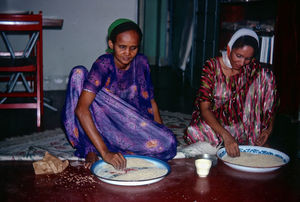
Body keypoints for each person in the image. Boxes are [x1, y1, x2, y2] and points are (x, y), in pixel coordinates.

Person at [62, 18, 177, 169]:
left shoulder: (141, 62)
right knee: (79, 73)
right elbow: (81, 109)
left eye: (133, 48)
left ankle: (113, 147)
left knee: (168, 142)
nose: (127, 53)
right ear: (111, 44)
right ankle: (91, 146)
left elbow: (151, 101)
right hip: (102, 121)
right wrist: (105, 154)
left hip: (130, 123)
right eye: (122, 47)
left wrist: (158, 130)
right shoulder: (104, 64)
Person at [184, 28, 279, 157]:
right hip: (215, 123)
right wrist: (226, 136)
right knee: (196, 133)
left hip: (243, 123)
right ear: (229, 49)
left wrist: (268, 130)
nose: (241, 63)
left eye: (247, 58)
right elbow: (204, 109)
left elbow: (271, 101)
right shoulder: (212, 67)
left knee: (266, 75)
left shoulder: (252, 70)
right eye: (238, 56)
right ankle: (229, 143)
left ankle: (242, 140)